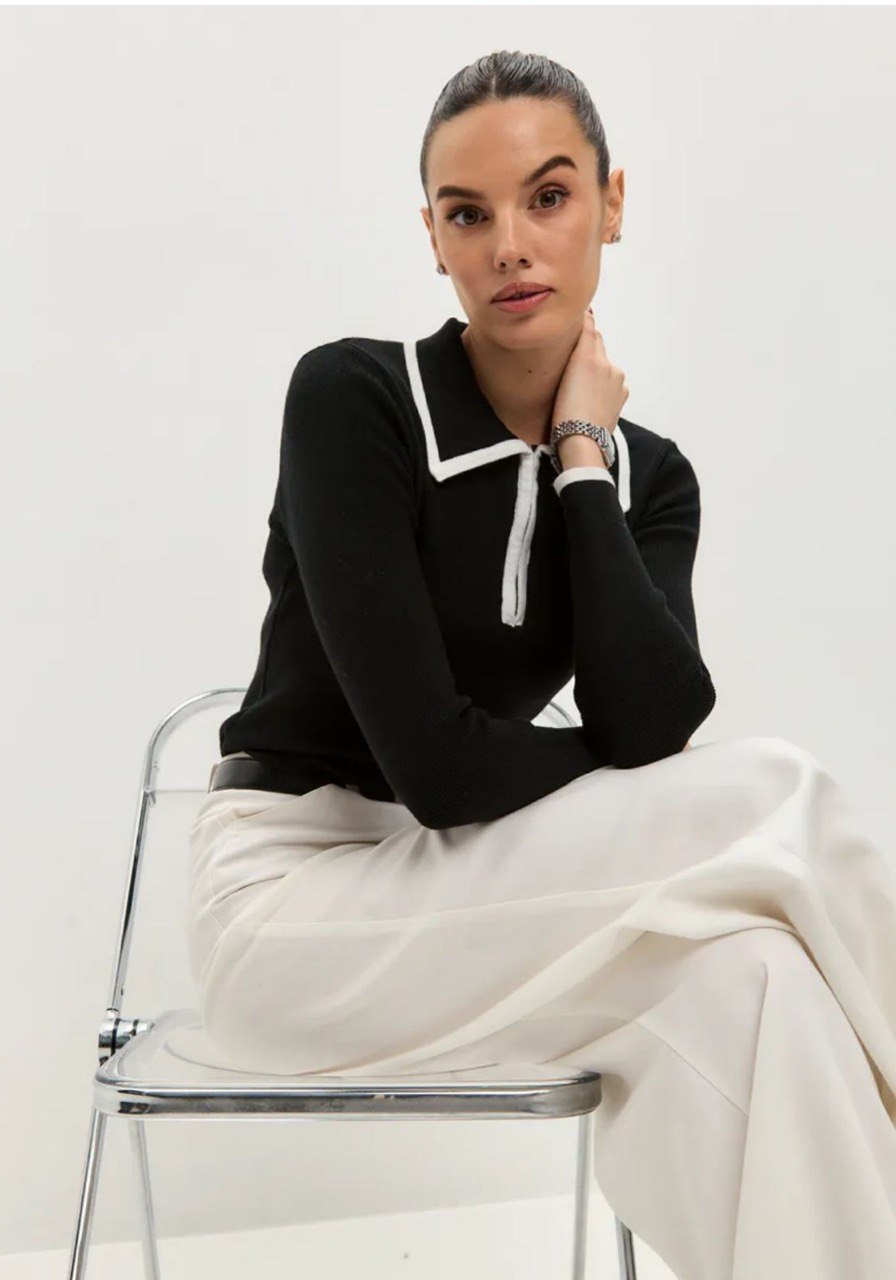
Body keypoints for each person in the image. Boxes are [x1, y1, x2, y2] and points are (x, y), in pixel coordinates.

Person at [182, 50, 896, 1280]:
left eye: (548, 196)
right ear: (433, 238)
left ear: (611, 204)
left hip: (484, 902)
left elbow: (647, 723)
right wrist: (618, 768)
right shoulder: (356, 398)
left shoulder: (645, 476)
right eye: (468, 214)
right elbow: (441, 769)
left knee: (756, 980)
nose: (509, 244)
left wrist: (579, 456)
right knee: (770, 791)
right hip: (293, 914)